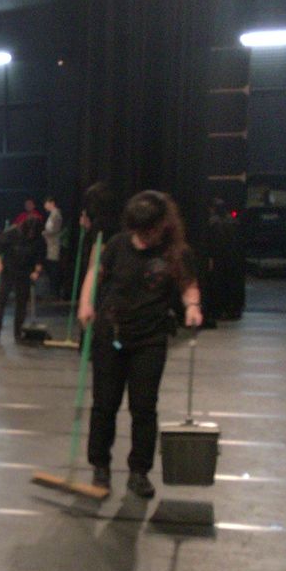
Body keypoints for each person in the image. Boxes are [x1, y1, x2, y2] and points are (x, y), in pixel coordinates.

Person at [78, 190, 202, 499]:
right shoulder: (118, 244)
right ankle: (100, 466)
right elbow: (95, 272)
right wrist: (85, 302)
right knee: (104, 405)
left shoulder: (175, 252)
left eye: (149, 231)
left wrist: (192, 305)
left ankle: (139, 471)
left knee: (144, 407)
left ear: (163, 224)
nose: (143, 237)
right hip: (111, 334)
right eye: (139, 231)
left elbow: (188, 284)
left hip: (150, 339)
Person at [0, 215, 46, 342]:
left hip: (25, 272)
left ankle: (18, 333)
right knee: (1, 301)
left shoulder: (39, 240)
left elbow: (40, 257)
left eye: (33, 233)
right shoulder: (13, 233)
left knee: (21, 303)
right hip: (8, 270)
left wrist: (37, 271)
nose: (31, 235)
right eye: (29, 232)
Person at [42, 196, 64, 299]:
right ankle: (52, 291)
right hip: (49, 245)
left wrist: (43, 233)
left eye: (46, 203)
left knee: (53, 268)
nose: (45, 206)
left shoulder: (56, 215)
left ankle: (55, 292)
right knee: (50, 268)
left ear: (52, 203)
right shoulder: (52, 215)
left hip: (53, 245)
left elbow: (53, 230)